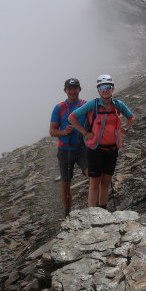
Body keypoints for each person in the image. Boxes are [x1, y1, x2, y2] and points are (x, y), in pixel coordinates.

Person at [68, 74, 135, 209]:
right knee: (94, 184)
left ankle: (103, 211)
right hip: (96, 150)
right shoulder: (93, 104)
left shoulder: (118, 105)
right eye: (102, 87)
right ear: (98, 90)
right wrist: (86, 133)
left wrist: (125, 129)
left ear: (112, 88)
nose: (106, 89)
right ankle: (92, 214)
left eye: (108, 87)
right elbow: (72, 118)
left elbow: (131, 117)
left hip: (112, 150)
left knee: (105, 183)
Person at [49, 78, 88, 217]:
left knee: (93, 175)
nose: (72, 91)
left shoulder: (86, 105)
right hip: (65, 150)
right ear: (65, 90)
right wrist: (64, 132)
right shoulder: (59, 108)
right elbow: (52, 131)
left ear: (79, 89)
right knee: (66, 182)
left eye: (75, 88)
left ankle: (95, 207)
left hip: (83, 148)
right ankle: (67, 213)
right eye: (70, 89)